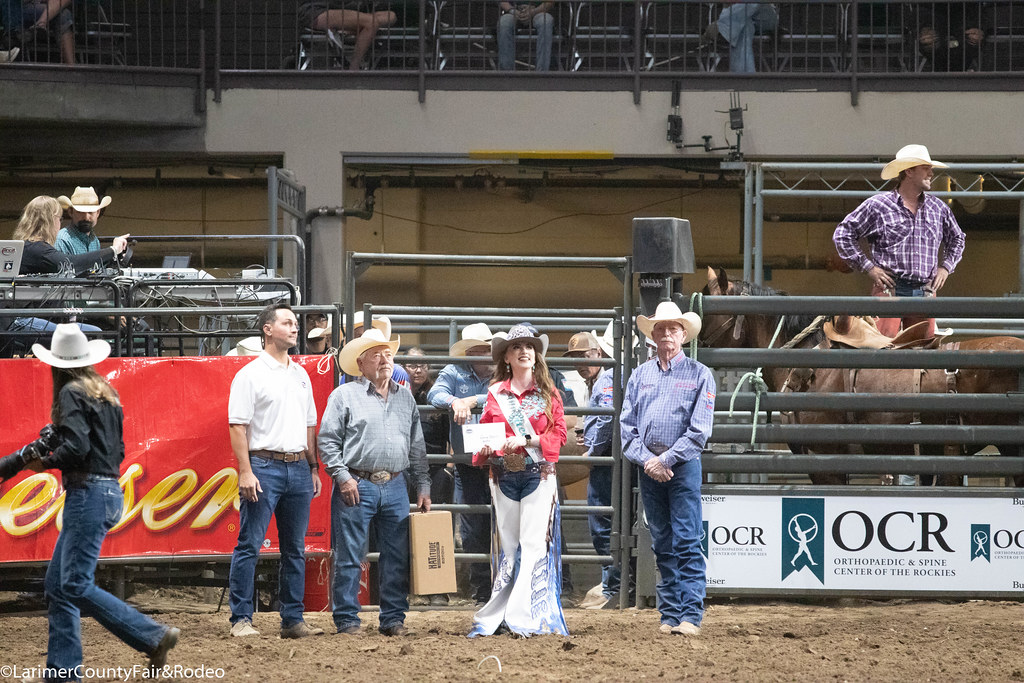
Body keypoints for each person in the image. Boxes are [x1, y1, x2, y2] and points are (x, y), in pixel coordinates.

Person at [0, 324, 179, 679]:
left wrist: (44, 462)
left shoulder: (70, 393)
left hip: (88, 493)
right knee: (59, 585)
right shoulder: (106, 393)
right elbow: (119, 450)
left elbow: (77, 448)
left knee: (75, 583)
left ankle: (151, 635)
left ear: (58, 363)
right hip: (109, 491)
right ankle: (63, 672)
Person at [318, 327, 431, 637]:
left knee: (396, 556)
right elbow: (327, 441)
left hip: (395, 483)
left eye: (388, 354)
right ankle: (347, 620)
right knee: (350, 554)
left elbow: (416, 445)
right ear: (361, 362)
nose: (385, 359)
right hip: (357, 482)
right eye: (376, 354)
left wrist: (423, 485)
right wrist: (342, 478)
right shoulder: (343, 395)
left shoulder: (404, 396)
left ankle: (393, 619)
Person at [226, 302, 324, 639]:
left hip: (296, 465)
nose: (295, 327)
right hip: (264, 465)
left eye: (294, 323)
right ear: (267, 329)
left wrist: (313, 466)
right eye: (287, 322)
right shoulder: (250, 374)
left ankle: (292, 618)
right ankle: (241, 618)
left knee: (294, 548)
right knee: (250, 544)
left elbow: (311, 426)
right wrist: (245, 470)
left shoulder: (301, 374)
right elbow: (237, 426)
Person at [620, 302, 715, 636]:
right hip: (651, 467)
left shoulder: (701, 375)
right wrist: (649, 460)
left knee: (686, 539)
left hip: (681, 466)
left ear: (684, 335)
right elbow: (626, 427)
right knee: (662, 539)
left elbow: (700, 431)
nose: (666, 335)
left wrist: (664, 460)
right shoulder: (639, 376)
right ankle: (670, 613)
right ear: (653, 336)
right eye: (660, 329)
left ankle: (689, 614)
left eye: (672, 329)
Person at [468, 323, 568, 638]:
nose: (524, 351)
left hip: (538, 472)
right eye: (517, 347)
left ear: (536, 355)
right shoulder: (496, 393)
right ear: (507, 357)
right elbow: (485, 432)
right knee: (510, 548)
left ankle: (524, 615)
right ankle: (503, 612)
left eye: (529, 346)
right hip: (504, 472)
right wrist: (484, 449)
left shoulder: (549, 393)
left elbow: (560, 434)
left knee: (534, 545)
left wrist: (530, 439)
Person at [833, 144, 966, 338]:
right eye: (926, 168)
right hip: (891, 287)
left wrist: (945, 267)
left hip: (923, 289)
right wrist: (869, 267)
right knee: (882, 352)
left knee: (921, 357)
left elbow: (957, 238)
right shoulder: (878, 206)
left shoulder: (938, 208)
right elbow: (842, 234)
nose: (931, 173)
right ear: (909, 171)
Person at [2, 195, 128, 355]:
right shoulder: (38, 250)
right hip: (16, 321)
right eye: (59, 219)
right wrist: (113, 251)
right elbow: (71, 264)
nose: (59, 224)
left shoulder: (30, 247)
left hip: (16, 318)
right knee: (92, 334)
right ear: (50, 220)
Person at [427, 322, 497, 605]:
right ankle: (482, 591)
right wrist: (456, 401)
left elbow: (507, 394)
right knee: (472, 528)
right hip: (469, 463)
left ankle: (499, 588)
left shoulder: (502, 371)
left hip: (500, 462)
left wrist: (471, 399)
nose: (481, 352)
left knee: (501, 525)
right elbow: (434, 395)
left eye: (485, 347)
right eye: (476, 348)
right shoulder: (454, 371)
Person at [565, 331, 618, 610]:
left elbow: (608, 416)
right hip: (606, 457)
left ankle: (613, 585)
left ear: (599, 354)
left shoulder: (605, 379)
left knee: (601, 521)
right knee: (604, 521)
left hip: (606, 459)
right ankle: (613, 582)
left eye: (587, 356)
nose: (582, 363)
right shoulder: (598, 380)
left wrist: (592, 449)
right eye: (576, 359)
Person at [298, 1, 397, 71]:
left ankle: (347, 29)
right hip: (317, 11)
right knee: (371, 23)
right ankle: (354, 67)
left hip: (344, 10)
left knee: (391, 16)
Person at [711, 1, 778, 73]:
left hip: (765, 17)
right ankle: (744, 78)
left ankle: (722, 27)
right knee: (744, 26)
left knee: (752, 3)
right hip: (739, 20)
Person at [0, 0, 75, 64]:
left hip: (41, 7)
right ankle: (38, 25)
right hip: (16, 8)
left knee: (64, 15)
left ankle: (72, 68)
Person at [497, 1, 554, 71]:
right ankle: (506, 72)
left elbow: (550, 2)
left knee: (546, 22)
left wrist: (534, 11)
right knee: (504, 23)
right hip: (514, 11)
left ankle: (542, 72)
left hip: (539, 11)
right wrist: (512, 11)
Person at [55, 187, 110, 257]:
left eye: (90, 212)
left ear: (98, 213)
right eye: (80, 212)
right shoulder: (62, 240)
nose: (86, 217)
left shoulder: (94, 240)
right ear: (70, 212)